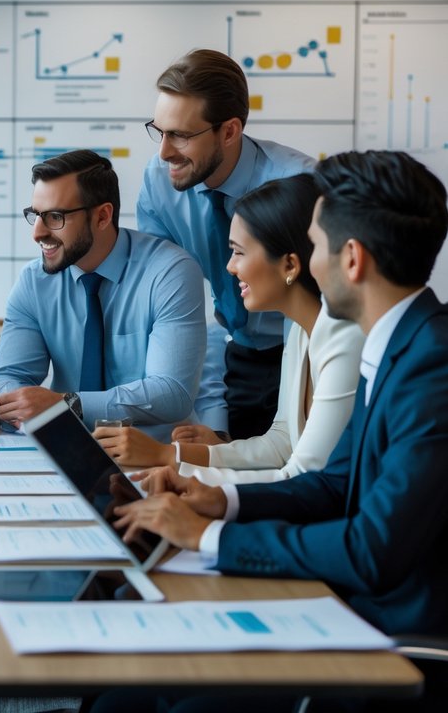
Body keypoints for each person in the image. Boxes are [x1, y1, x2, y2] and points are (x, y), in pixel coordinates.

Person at [115, 150, 448, 643]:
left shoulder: (431, 365)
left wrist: (207, 537)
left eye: (315, 245)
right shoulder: (402, 344)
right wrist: (219, 502)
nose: (310, 262)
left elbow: (371, 548)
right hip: (354, 609)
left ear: (352, 259)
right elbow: (333, 484)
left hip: (393, 635)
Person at [96, 175, 365, 476]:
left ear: (289, 265)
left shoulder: (346, 339)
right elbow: (282, 441)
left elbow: (304, 476)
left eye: (238, 252)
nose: (230, 267)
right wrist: (175, 455)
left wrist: (181, 474)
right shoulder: (298, 326)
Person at [137, 49, 315, 440]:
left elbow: (322, 314)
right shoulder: (160, 181)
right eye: (159, 131)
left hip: (303, 357)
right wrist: (215, 425)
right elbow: (176, 309)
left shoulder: (301, 186)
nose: (164, 152)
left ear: (230, 131)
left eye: (180, 136)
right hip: (227, 353)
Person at [0, 150, 205, 438]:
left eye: (55, 217)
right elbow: (8, 376)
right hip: (66, 446)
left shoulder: (170, 272)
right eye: (35, 215)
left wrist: (68, 404)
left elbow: (172, 393)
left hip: (154, 456)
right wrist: (17, 404)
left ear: (102, 216)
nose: (37, 233)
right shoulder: (34, 281)